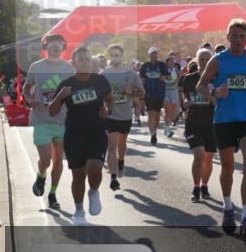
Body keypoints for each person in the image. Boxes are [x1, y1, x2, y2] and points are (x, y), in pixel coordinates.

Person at [197, 19, 246, 236]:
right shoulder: (218, 60)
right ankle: (228, 208)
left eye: (241, 36)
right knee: (227, 168)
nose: (238, 40)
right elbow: (201, 85)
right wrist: (215, 94)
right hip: (225, 119)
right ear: (228, 38)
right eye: (234, 36)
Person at [48, 45, 114, 226]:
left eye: (87, 59)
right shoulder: (66, 84)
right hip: (74, 134)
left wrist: (107, 110)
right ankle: (78, 210)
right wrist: (60, 96)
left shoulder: (100, 81)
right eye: (81, 60)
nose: (84, 63)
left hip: (97, 131)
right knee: (78, 175)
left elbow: (110, 99)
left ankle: (93, 192)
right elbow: (52, 111)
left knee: (94, 168)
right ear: (73, 63)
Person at [25, 34, 75, 208]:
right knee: (45, 159)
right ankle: (41, 175)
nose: (55, 48)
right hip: (41, 119)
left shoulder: (69, 68)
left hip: (61, 120)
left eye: (58, 45)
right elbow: (26, 88)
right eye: (51, 45)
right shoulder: (36, 67)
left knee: (58, 161)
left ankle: (52, 194)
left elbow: (74, 92)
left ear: (62, 47)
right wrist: (30, 99)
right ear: (46, 48)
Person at [100, 45, 144, 189]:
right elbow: (98, 94)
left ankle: (121, 160)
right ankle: (113, 178)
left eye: (117, 55)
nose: (114, 57)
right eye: (112, 55)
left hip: (125, 115)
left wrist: (132, 92)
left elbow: (142, 93)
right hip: (110, 115)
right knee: (111, 145)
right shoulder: (104, 74)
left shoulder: (131, 74)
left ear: (122, 56)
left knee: (121, 144)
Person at [181, 49, 216, 202]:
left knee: (208, 158)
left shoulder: (217, 78)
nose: (204, 62)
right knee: (199, 154)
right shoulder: (188, 79)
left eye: (207, 59)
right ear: (197, 60)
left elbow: (220, 100)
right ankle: (196, 187)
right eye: (201, 59)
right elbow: (185, 101)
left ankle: (204, 185)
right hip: (194, 123)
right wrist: (187, 103)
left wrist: (212, 97)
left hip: (212, 124)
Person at [139, 47, 167, 145]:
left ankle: (154, 131)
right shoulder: (145, 66)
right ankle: (153, 134)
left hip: (159, 93)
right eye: (152, 53)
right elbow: (142, 79)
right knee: (151, 114)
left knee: (157, 116)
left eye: (155, 53)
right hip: (149, 93)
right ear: (149, 55)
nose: (153, 55)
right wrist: (141, 92)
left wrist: (160, 77)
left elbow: (164, 77)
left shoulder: (162, 65)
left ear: (157, 54)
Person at [162, 54, 181, 138]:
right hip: (166, 91)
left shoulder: (176, 70)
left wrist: (176, 80)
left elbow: (178, 79)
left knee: (174, 112)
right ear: (166, 62)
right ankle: (168, 129)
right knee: (167, 111)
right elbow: (161, 79)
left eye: (173, 61)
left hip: (174, 92)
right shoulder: (163, 71)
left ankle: (166, 127)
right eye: (170, 61)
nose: (172, 63)